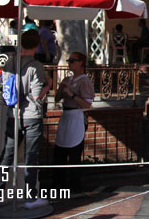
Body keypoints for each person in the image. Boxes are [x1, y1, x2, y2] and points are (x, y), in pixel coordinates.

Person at [0, 29, 51, 209]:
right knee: (31, 157)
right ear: (37, 45)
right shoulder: (36, 66)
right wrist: (48, 85)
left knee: (7, 155)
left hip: (13, 114)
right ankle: (31, 197)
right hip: (31, 115)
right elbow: (37, 95)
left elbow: (7, 89)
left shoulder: (10, 63)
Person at [54, 52, 93, 192]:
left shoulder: (84, 81)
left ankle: (74, 185)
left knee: (75, 153)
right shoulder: (67, 79)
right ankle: (59, 183)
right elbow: (57, 99)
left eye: (72, 60)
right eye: (68, 60)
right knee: (60, 152)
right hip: (66, 115)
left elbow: (87, 104)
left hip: (77, 116)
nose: (69, 63)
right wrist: (60, 89)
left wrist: (72, 94)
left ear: (80, 63)